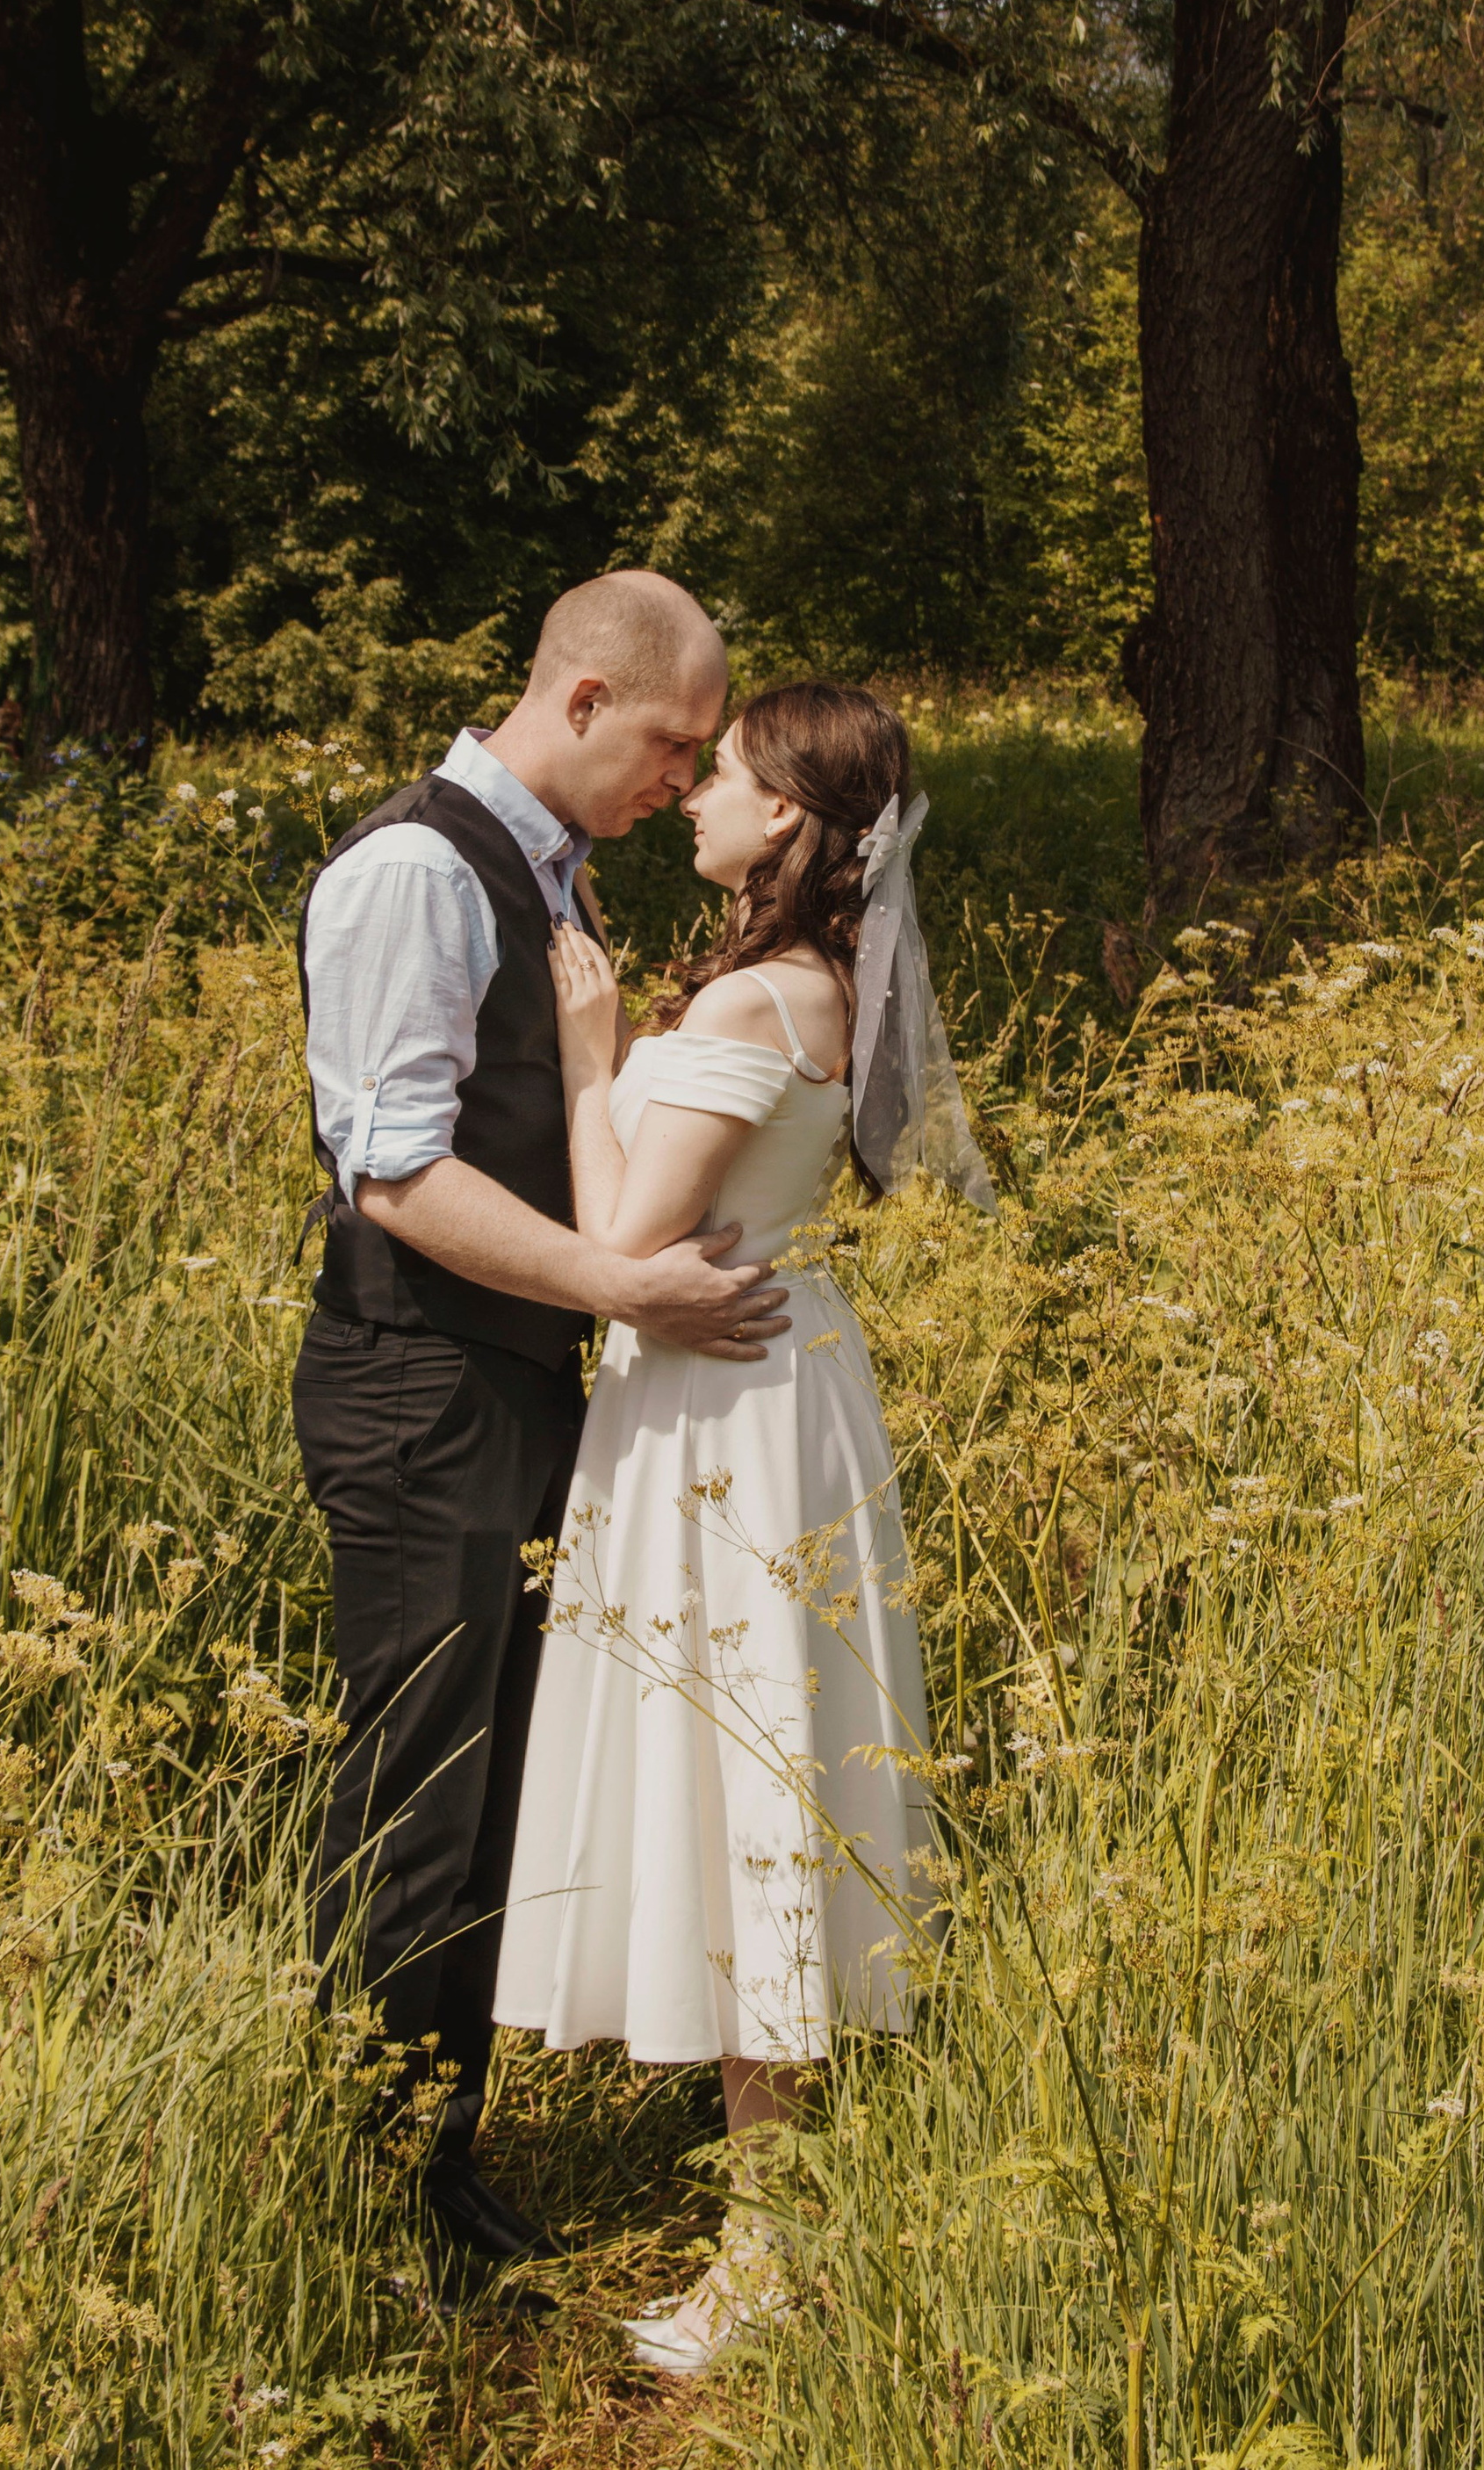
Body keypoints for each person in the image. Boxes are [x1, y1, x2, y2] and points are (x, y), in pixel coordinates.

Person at [291, 571, 789, 2293]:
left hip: (506, 1382)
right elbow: (392, 1169)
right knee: (418, 1798)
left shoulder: (548, 869)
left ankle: (439, 2164)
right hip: (416, 1388)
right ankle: (370, 2200)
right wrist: (619, 1286)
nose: (683, 779)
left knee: (489, 1794)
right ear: (581, 699)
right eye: (673, 744)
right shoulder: (415, 872)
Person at [492, 680, 995, 2374]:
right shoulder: (815, 983)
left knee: (749, 1780)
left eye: (722, 776)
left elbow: (622, 1243)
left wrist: (589, 1062)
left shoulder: (759, 998)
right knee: (757, 1774)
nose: (695, 796)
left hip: (721, 1404)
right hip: (771, 1384)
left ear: (785, 812)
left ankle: (770, 2250)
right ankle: (772, 2219)